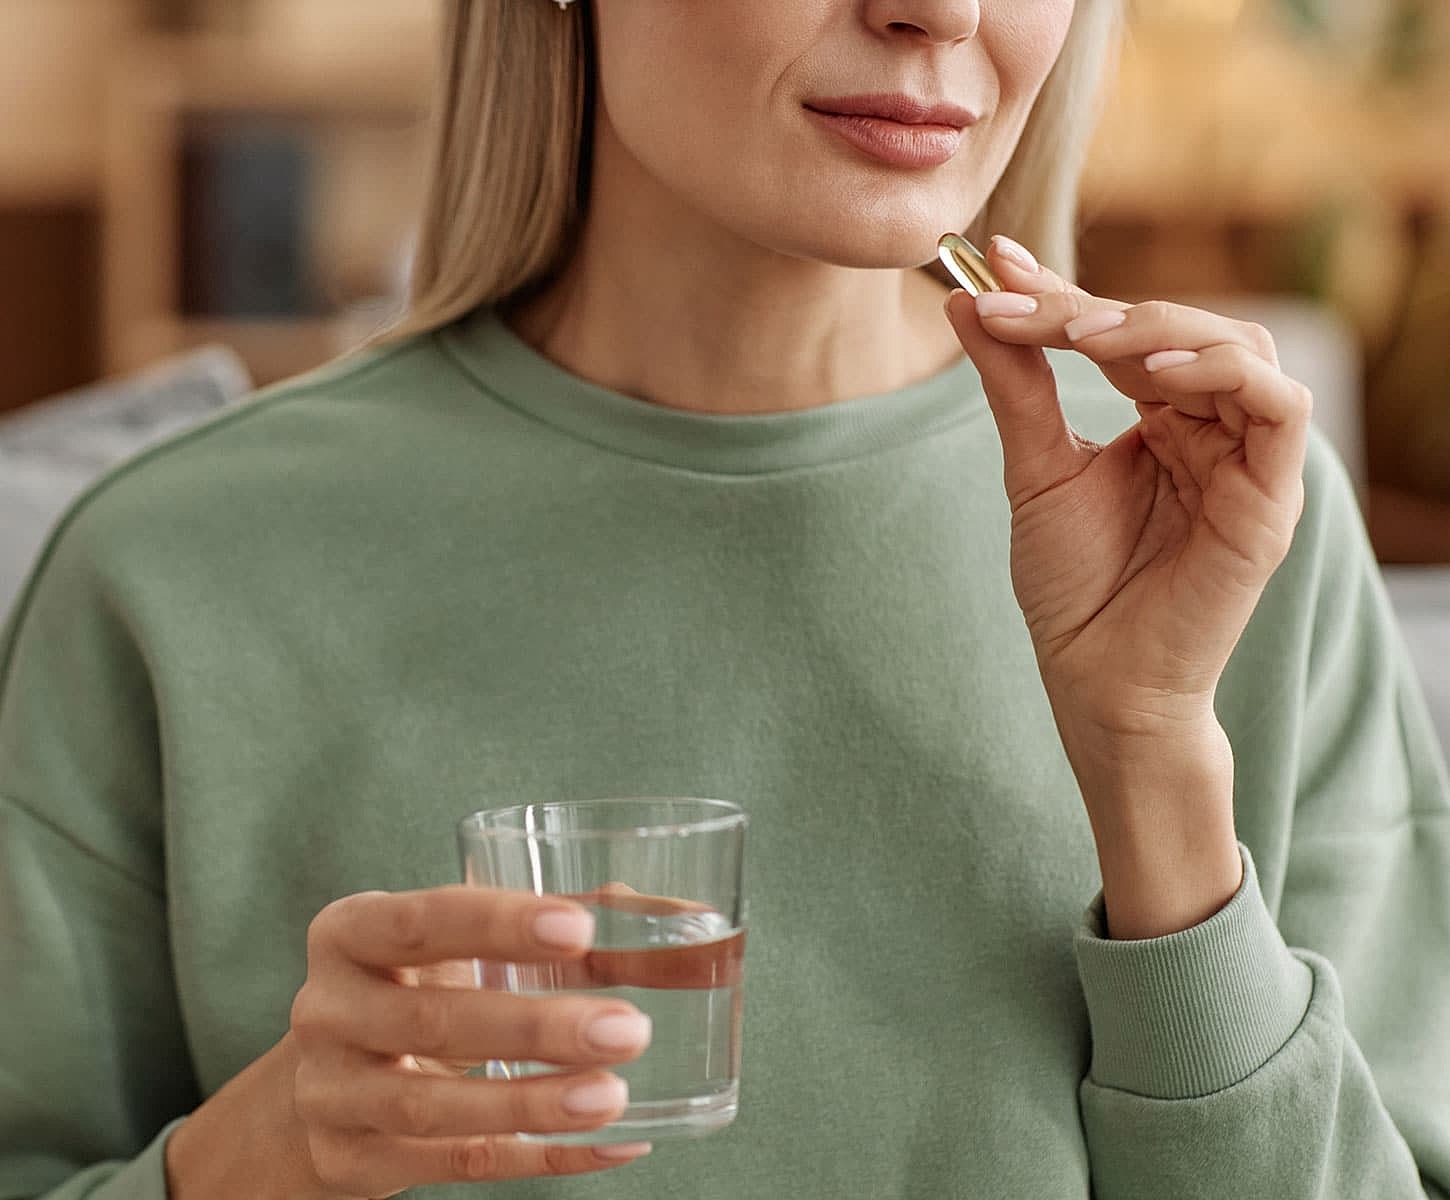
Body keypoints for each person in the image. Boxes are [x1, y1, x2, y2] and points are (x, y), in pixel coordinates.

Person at [1, 1, 1447, 1197]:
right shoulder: (174, 570)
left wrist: (1149, 756)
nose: (935, 13)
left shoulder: (1224, 525)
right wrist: (246, 1162)